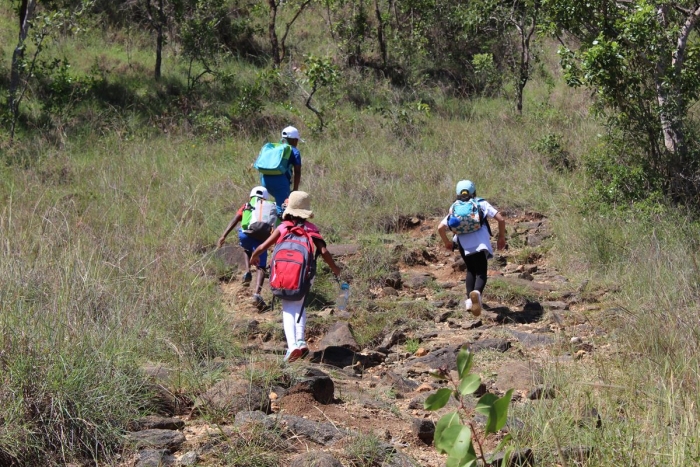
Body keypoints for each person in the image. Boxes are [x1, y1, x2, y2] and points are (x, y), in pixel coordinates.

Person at [249, 191, 342, 363]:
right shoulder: (311, 229)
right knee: (299, 305)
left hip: (284, 274)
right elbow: (324, 251)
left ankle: (292, 346)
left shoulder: (283, 227)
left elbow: (262, 246)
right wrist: (335, 269)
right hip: (304, 275)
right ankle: (300, 341)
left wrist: (254, 256)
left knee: (287, 309)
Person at [437, 180, 506, 317]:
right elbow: (501, 220)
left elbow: (440, 228)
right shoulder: (481, 203)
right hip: (480, 243)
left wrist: (447, 242)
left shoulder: (454, 207)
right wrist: (501, 237)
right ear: (474, 192)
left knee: (470, 270)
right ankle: (477, 293)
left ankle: (470, 301)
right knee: (481, 272)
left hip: (463, 243)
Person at [217, 186, 274, 311]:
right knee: (261, 267)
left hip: (245, 235)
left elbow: (235, 220)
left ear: (251, 195)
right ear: (265, 197)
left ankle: (247, 271)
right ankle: (257, 294)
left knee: (246, 248)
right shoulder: (270, 207)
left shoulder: (246, 205)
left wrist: (223, 236)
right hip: (261, 238)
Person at [260, 126, 303, 214]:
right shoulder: (294, 151)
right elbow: (297, 171)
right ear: (294, 140)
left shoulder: (275, 148)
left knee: (279, 205)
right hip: (279, 182)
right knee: (284, 210)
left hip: (264, 180)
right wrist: (295, 189)